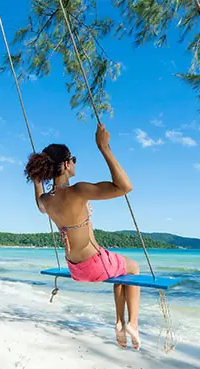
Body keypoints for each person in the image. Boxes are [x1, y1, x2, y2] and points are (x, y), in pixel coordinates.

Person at [24, 123, 142, 350]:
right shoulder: (77, 191)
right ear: (67, 164)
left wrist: (37, 178)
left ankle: (119, 324)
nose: (76, 163)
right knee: (133, 267)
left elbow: (39, 203)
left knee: (119, 268)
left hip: (76, 269)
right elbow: (125, 187)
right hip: (94, 265)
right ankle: (133, 324)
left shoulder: (47, 201)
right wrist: (104, 147)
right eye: (74, 159)